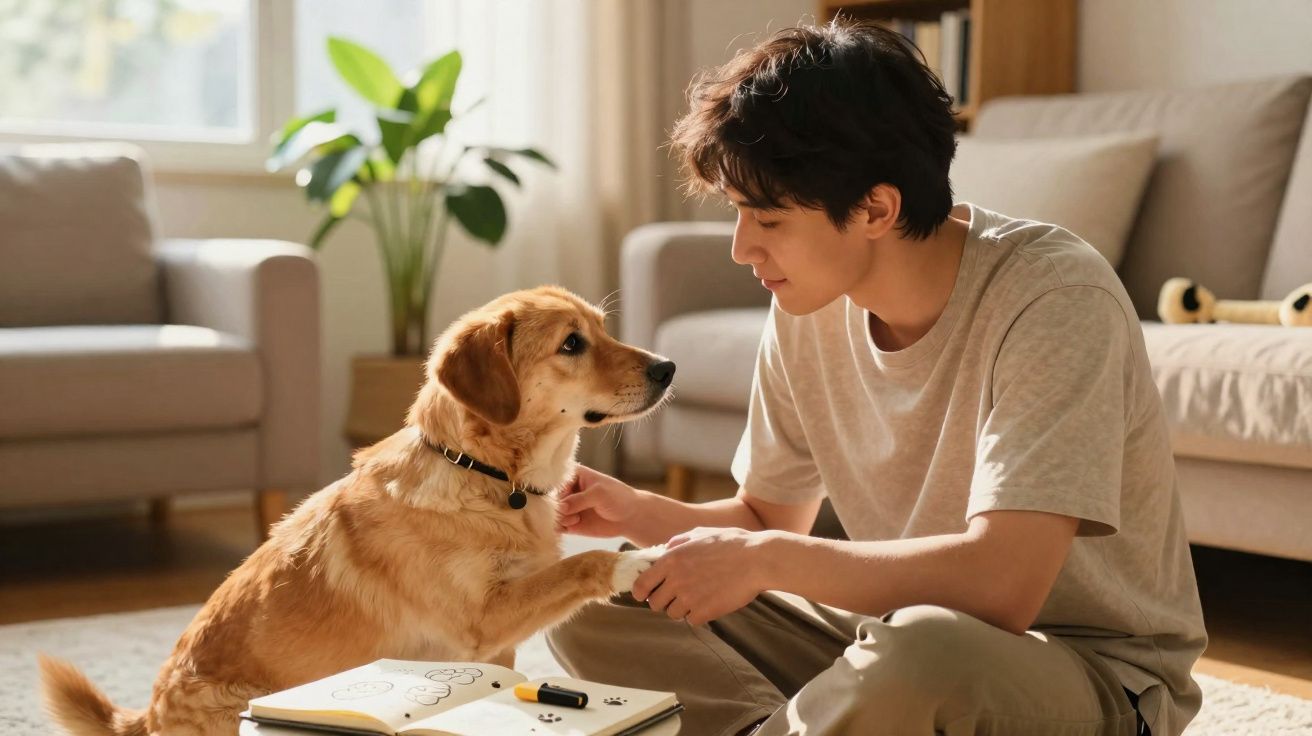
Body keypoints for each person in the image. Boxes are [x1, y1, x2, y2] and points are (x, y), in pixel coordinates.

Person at [546, 17, 1205, 736]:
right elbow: (766, 519)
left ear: (875, 208)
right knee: (599, 592)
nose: (741, 249)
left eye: (765, 219)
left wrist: (766, 559)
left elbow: (1002, 586)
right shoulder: (809, 307)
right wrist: (636, 510)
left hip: (1089, 676)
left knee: (917, 656)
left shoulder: (1053, 297)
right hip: (883, 641)